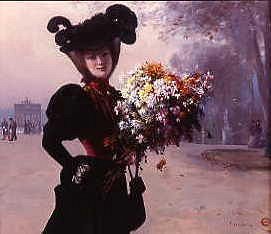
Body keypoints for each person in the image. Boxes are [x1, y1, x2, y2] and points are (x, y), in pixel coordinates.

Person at [42, 4, 144, 234]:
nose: (100, 62)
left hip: (116, 186)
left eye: (105, 54)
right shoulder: (78, 99)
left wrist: (131, 151)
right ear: (83, 61)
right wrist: (74, 165)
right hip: (88, 190)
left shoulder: (116, 98)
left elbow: (126, 138)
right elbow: (49, 142)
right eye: (92, 56)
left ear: (113, 54)